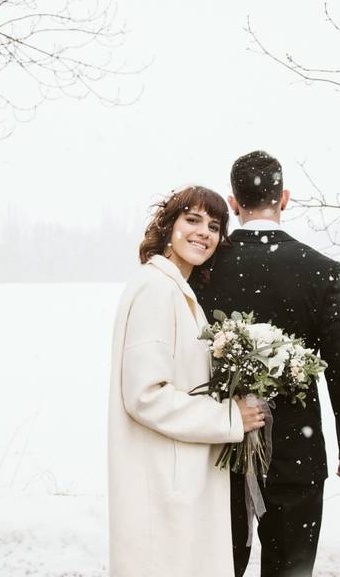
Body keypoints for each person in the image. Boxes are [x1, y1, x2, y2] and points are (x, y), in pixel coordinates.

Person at [193, 151, 340, 577]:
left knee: (217, 568)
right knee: (290, 571)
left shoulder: (205, 267)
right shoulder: (318, 270)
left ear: (234, 203)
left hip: (219, 452)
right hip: (296, 454)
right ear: (284, 198)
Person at [108, 185, 267, 577]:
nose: (204, 233)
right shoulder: (156, 290)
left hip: (178, 480)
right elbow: (145, 395)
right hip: (163, 486)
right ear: (168, 226)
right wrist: (229, 418)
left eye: (214, 226)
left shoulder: (176, 290)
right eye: (192, 220)